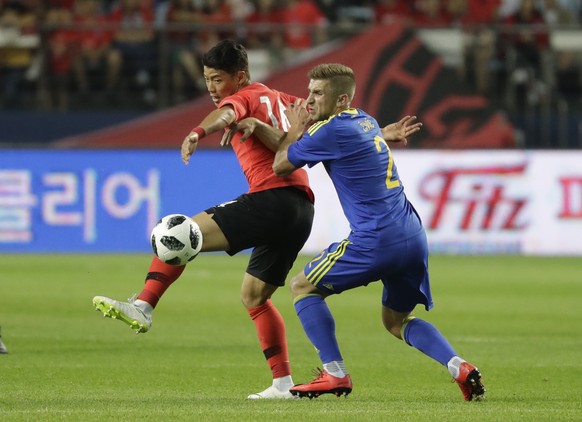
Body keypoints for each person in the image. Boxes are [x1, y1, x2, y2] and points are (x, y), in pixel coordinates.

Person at [239, 63, 486, 401]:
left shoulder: (325, 131)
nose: (308, 100)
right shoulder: (364, 119)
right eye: (309, 91)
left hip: (376, 238)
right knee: (397, 321)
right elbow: (359, 138)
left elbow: (281, 164)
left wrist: (295, 129)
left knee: (303, 287)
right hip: (411, 235)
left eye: (317, 93)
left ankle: (334, 374)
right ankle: (459, 366)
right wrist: (384, 133)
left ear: (341, 99)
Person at [93, 39, 315, 400]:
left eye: (217, 79)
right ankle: (283, 384)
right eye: (207, 79)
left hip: (271, 199)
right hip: (302, 210)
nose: (211, 88)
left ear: (239, 76)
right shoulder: (287, 100)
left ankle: (144, 305)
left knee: (178, 233)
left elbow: (226, 114)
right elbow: (323, 121)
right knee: (255, 296)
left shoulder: (246, 96)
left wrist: (198, 132)